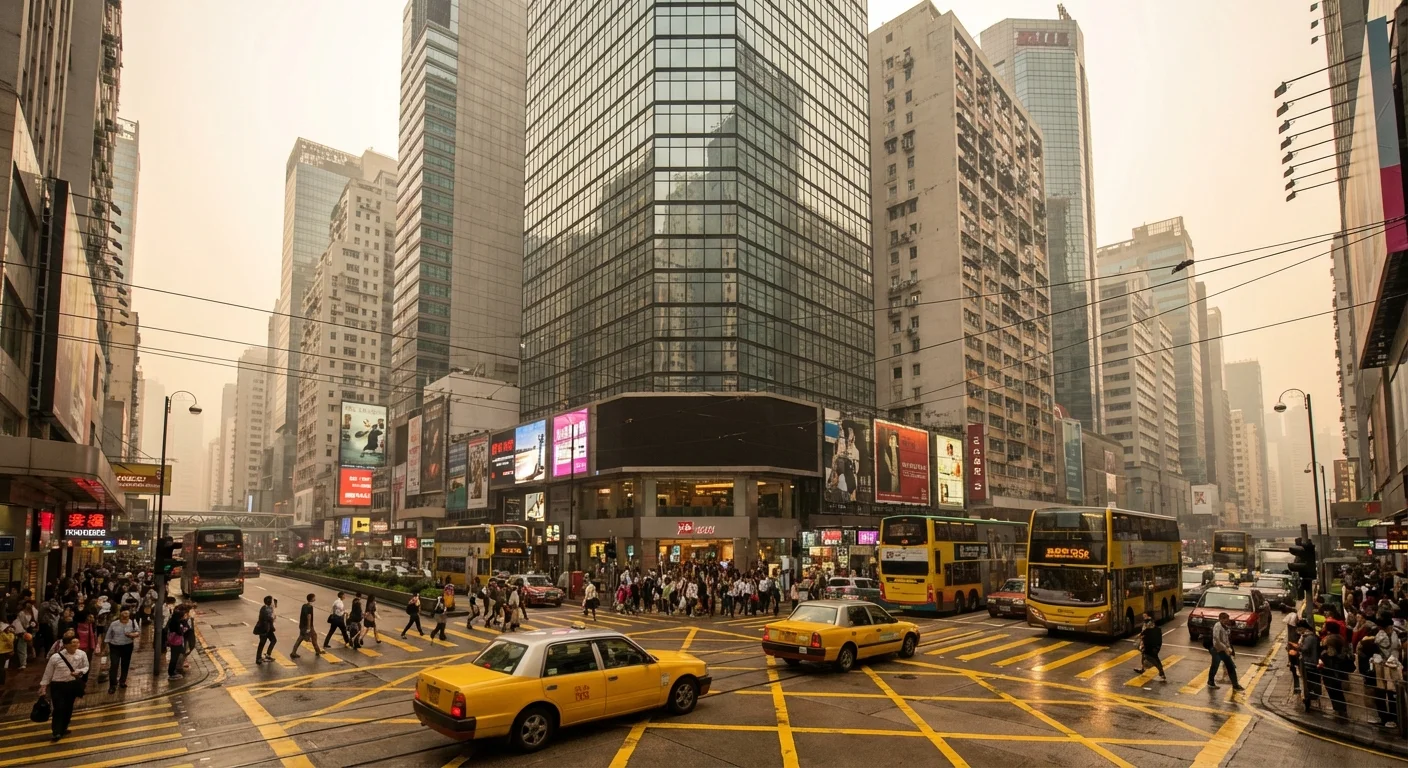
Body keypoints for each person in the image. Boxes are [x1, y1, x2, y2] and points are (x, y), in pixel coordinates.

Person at [38, 636, 88, 742]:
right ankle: (56, 732)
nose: (75, 645)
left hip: (72, 685)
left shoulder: (82, 654)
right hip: (58, 686)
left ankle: (64, 727)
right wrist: (43, 687)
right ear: (65, 645)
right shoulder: (55, 657)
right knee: (58, 708)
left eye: (77, 642)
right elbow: (48, 673)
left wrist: (79, 672)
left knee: (68, 708)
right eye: (72, 643)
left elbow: (86, 667)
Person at [103, 607, 139, 693]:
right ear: (120, 614)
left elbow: (138, 632)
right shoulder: (114, 624)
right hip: (115, 647)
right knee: (114, 665)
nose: (126, 616)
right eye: (124, 613)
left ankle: (122, 681)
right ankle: (112, 685)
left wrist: (132, 634)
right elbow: (108, 636)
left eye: (127, 614)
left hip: (127, 646)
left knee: (125, 664)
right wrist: (105, 648)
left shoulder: (133, 622)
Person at [1206, 612, 1244, 692]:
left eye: (1227, 619)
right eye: (1225, 619)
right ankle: (1211, 682)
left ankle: (1235, 684)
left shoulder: (1226, 627)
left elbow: (1227, 640)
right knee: (1215, 666)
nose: (1226, 621)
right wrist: (1225, 648)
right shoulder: (1217, 626)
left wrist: (1229, 649)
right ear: (1220, 619)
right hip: (1216, 649)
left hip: (1223, 650)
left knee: (1230, 666)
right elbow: (1216, 639)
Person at [1132, 612, 1167, 682]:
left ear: (1149, 617)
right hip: (1148, 643)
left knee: (1152, 658)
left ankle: (1162, 673)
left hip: (1152, 644)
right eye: (1143, 616)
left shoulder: (1150, 623)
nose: (1144, 618)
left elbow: (1147, 631)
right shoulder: (1147, 622)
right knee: (1144, 654)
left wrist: (1140, 635)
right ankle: (1143, 669)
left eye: (1145, 616)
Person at [289, 594, 322, 659]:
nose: (315, 598)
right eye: (314, 597)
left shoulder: (304, 605)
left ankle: (293, 652)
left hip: (302, 625)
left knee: (300, 639)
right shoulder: (310, 607)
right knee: (314, 636)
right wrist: (309, 628)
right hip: (308, 626)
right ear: (312, 599)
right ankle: (317, 651)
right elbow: (309, 617)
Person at [164, 606, 191, 680]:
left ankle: (173, 671)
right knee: (174, 658)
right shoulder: (175, 623)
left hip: (176, 642)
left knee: (180, 654)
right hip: (176, 642)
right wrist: (184, 626)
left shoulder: (174, 620)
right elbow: (180, 632)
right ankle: (172, 673)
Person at [254, 596, 277, 663]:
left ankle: (267, 655)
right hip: (264, 629)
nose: (273, 602)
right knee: (262, 643)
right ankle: (258, 658)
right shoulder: (266, 609)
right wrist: (272, 626)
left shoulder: (267, 608)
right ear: (269, 602)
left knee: (273, 640)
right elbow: (269, 619)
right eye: (271, 601)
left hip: (268, 629)